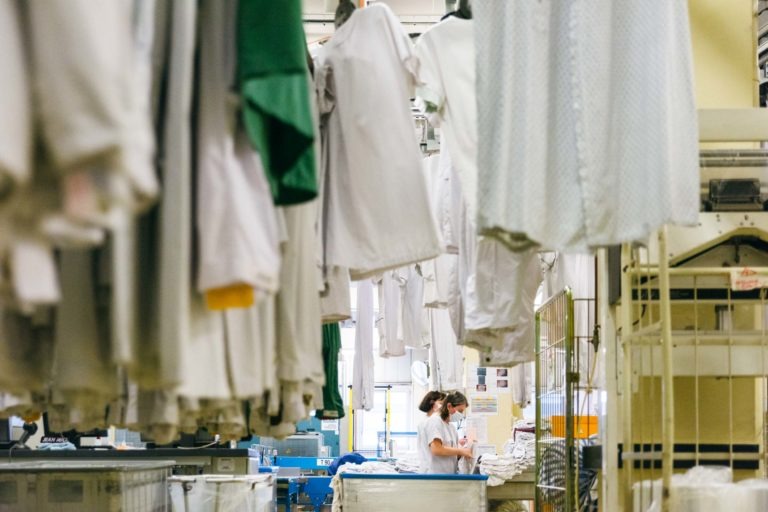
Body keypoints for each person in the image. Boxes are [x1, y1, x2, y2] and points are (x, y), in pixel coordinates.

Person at [423, 391, 473, 473]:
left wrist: (464, 452)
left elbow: (452, 453)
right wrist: (460, 451)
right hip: (435, 476)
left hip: (448, 475)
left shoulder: (451, 427)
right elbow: (436, 449)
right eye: (460, 411)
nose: (461, 415)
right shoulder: (434, 422)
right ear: (449, 406)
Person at [416, 391, 446, 473]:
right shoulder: (431, 422)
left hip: (430, 469)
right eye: (441, 403)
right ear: (432, 404)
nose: (444, 407)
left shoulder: (430, 421)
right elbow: (436, 449)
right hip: (432, 470)